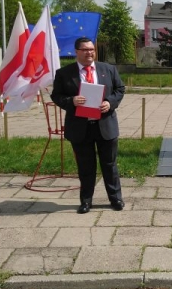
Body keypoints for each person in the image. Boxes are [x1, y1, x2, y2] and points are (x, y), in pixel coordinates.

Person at [50, 37, 126, 214]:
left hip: (105, 125)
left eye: (91, 49)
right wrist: (71, 101)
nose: (89, 53)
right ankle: (86, 201)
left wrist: (110, 102)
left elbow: (120, 89)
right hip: (80, 127)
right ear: (76, 52)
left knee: (110, 165)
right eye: (85, 50)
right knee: (85, 167)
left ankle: (115, 199)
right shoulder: (64, 73)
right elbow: (56, 96)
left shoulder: (108, 69)